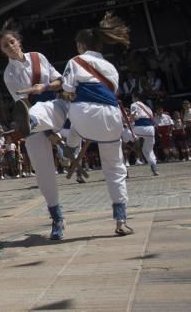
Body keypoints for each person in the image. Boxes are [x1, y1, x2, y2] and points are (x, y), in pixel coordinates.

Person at [62, 12, 133, 236]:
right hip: (112, 118)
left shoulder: (75, 61)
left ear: (81, 45)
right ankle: (121, 219)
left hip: (84, 115)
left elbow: (67, 91)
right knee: (114, 168)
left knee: (64, 113)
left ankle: (68, 151)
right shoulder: (110, 67)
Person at [0, 20, 69, 240]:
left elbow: (60, 81)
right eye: (5, 46)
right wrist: (46, 131)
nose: (10, 47)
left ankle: (69, 148)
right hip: (33, 119)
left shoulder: (39, 57)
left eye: (12, 42)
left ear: (18, 41)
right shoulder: (9, 75)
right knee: (43, 171)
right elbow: (23, 106)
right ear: (3, 52)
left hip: (56, 108)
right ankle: (57, 218)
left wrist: (45, 87)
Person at [122, 94, 158, 175]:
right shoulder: (148, 108)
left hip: (139, 128)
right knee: (148, 150)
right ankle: (154, 167)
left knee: (124, 133)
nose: (132, 99)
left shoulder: (134, 104)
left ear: (136, 97)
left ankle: (123, 145)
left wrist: (128, 121)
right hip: (150, 130)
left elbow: (134, 116)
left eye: (132, 97)